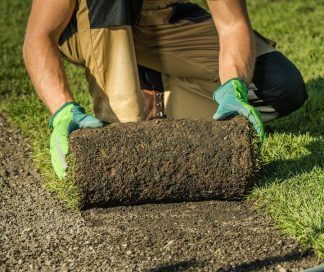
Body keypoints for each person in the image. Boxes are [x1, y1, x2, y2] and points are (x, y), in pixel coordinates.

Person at [23, 0, 308, 179]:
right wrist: (62, 109)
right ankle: (122, 121)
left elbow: (232, 24)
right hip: (90, 20)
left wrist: (234, 86)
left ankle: (153, 91)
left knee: (280, 87)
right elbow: (39, 36)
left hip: (163, 18)